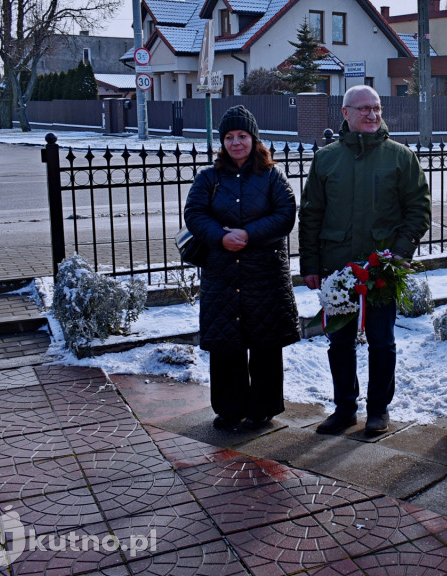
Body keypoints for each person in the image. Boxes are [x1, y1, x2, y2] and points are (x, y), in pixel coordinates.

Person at [299, 85, 431, 436]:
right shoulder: (326, 158)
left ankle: (378, 410)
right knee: (339, 342)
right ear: (345, 113)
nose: (372, 114)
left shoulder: (400, 157)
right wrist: (310, 265)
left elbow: (418, 211)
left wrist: (399, 255)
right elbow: (311, 213)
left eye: (377, 108)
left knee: (381, 341)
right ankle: (344, 408)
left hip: (381, 269)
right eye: (364, 109)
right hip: (337, 267)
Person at [184, 105, 300, 431]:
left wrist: (249, 234)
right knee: (226, 343)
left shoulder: (272, 176)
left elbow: (285, 215)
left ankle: (263, 408)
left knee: (264, 342)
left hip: (263, 274)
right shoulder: (209, 178)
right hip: (222, 274)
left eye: (242, 136)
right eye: (230, 137)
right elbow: (194, 214)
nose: (236, 143)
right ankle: (229, 408)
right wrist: (221, 237)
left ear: (254, 138)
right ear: (223, 142)